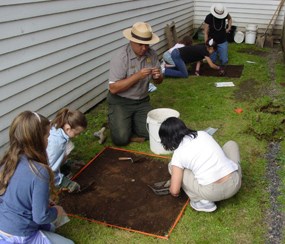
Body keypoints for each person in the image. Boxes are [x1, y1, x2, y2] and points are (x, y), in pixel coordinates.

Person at [0, 111, 74, 243]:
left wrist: (43, 203)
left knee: (50, 227)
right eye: (47, 136)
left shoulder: (7, 162)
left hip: (3, 225)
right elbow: (40, 217)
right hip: (21, 234)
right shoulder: (39, 171)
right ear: (37, 140)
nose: (48, 140)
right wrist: (56, 211)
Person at [159, 117, 242, 212]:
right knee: (231, 144)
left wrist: (173, 189)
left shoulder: (178, 155)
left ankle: (202, 202)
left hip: (212, 192)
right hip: (235, 184)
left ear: (167, 139)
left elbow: (175, 191)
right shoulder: (203, 134)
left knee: (173, 167)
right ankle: (231, 171)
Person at [107, 22, 163, 146]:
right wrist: (137, 76)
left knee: (153, 133)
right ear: (131, 41)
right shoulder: (120, 57)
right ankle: (116, 119)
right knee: (121, 139)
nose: (144, 48)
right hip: (121, 101)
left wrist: (157, 76)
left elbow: (159, 81)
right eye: (140, 45)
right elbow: (113, 88)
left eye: (147, 44)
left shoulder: (152, 54)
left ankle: (129, 122)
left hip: (142, 101)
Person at [47, 108, 87, 193]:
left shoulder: (58, 124)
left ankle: (64, 165)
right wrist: (66, 183)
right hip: (34, 170)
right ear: (68, 128)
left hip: (47, 154)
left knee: (69, 146)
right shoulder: (57, 144)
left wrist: (66, 162)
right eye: (77, 133)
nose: (77, 136)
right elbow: (48, 170)